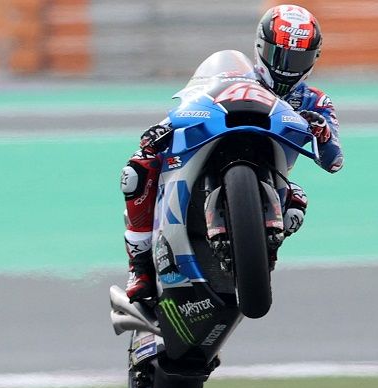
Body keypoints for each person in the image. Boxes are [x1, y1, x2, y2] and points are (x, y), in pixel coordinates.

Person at [120, 4, 344, 302]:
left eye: (297, 58)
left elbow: (334, 161)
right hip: (214, 148)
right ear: (261, 48)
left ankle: (260, 250)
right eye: (280, 56)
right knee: (135, 172)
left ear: (313, 59)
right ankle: (140, 267)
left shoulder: (316, 100)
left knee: (297, 204)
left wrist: (322, 132)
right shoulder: (234, 76)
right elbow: (194, 99)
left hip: (272, 181)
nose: (287, 67)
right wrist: (162, 128)